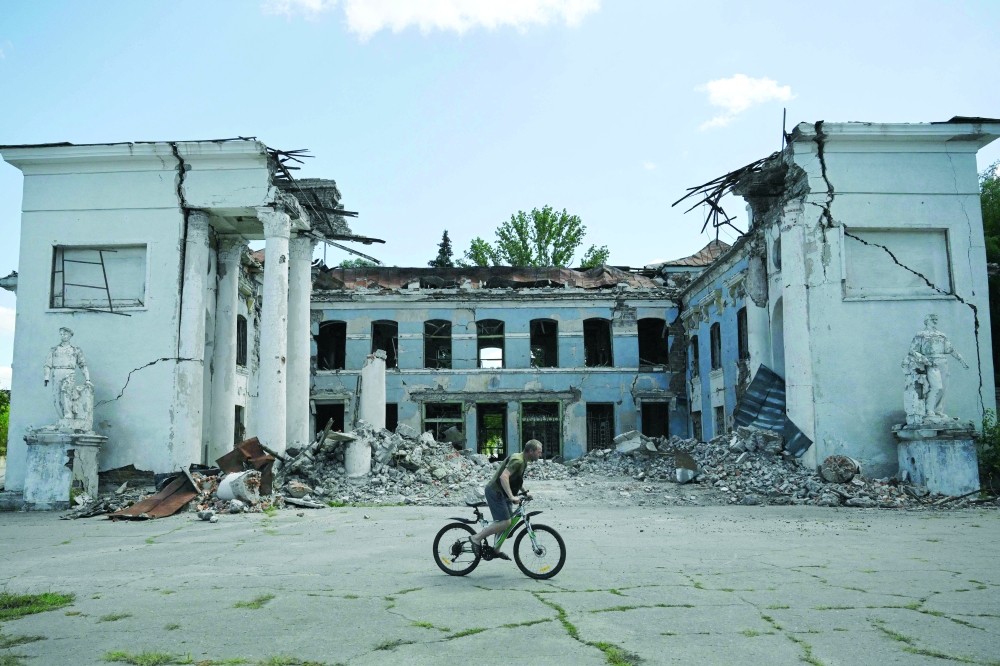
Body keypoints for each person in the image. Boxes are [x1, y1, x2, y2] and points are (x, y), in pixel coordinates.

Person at [469, 440, 543, 553]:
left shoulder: (523, 460)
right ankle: (476, 538)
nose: (540, 455)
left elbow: (516, 480)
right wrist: (512, 496)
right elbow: (504, 477)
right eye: (539, 452)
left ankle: (496, 549)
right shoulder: (518, 460)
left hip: (503, 492)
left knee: (508, 522)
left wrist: (524, 492)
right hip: (495, 491)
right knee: (505, 522)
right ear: (531, 451)